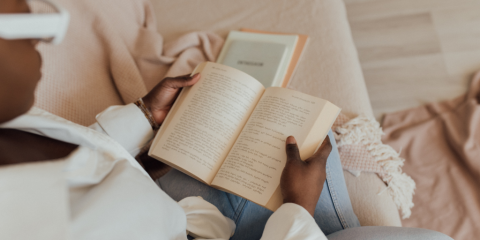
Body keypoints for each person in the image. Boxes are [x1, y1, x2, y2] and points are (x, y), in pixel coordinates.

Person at [0, 0, 453, 239]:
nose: (43, 38)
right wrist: (298, 208)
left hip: (173, 205)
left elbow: (80, 166)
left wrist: (140, 117)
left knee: (303, 145)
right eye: (27, 31)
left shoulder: (11, 133)